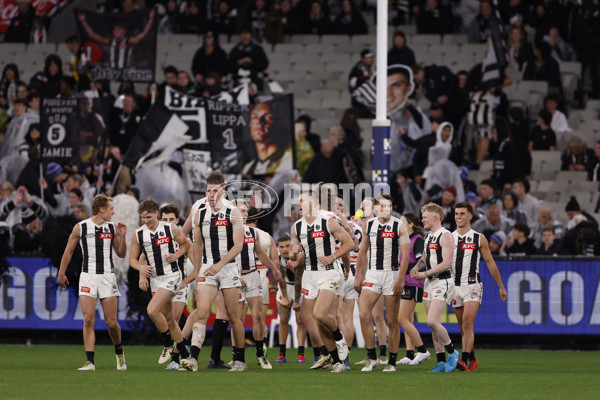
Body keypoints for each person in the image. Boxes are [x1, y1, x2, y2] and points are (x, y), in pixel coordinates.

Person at [179, 171, 248, 372]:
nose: (211, 194)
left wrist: (220, 264)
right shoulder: (200, 213)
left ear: (223, 191)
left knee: (234, 317)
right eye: (208, 190)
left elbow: (238, 246)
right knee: (201, 312)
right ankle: (193, 359)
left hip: (228, 269)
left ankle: (239, 360)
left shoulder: (233, 212)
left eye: (215, 191)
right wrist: (198, 271)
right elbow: (197, 244)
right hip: (208, 269)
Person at [57, 194, 128, 371]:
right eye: (111, 208)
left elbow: (120, 253)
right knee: (88, 319)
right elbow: (68, 251)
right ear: (101, 209)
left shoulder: (111, 228)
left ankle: (119, 352)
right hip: (88, 276)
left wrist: (122, 237)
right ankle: (90, 361)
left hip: (107, 277)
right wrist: (61, 273)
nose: (114, 212)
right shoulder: (81, 227)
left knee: (111, 322)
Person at [290, 190, 354, 373]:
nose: (298, 204)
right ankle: (337, 362)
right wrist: (294, 254)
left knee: (319, 314)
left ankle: (339, 337)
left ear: (312, 203)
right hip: (309, 275)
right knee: (317, 321)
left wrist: (333, 256)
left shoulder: (328, 222)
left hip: (329, 273)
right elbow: (296, 251)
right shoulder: (297, 227)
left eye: (301, 200)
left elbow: (349, 243)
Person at [129, 198, 192, 368]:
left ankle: (167, 344)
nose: (146, 220)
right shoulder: (139, 234)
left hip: (172, 275)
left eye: (149, 216)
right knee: (170, 321)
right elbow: (133, 260)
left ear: (157, 213)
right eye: (143, 217)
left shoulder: (170, 229)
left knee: (151, 310)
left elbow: (186, 246)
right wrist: (141, 270)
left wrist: (177, 255)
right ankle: (185, 357)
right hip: (155, 279)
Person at [353, 193, 409, 372]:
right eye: (383, 206)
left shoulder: (399, 225)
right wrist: (358, 276)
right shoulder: (368, 224)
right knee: (363, 314)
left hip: (392, 274)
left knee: (392, 320)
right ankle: (372, 357)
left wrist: (400, 279)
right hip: (373, 275)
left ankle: (391, 361)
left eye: (390, 206)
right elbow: (362, 251)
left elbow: (406, 255)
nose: (387, 209)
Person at [451, 202, 507, 371]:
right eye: (456, 214)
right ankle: (473, 358)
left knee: (468, 323)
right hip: (455, 287)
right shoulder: (448, 237)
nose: (459, 217)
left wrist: (500, 286)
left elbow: (490, 261)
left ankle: (464, 359)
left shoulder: (478, 238)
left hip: (473, 285)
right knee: (462, 327)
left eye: (462, 213)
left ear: (470, 216)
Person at [410, 202, 459, 373]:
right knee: (432, 325)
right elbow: (425, 257)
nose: (422, 220)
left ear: (435, 218)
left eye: (424, 217)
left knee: (432, 321)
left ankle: (452, 352)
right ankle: (441, 361)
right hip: (430, 282)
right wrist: (417, 267)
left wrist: (424, 274)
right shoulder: (429, 236)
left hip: (442, 281)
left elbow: (446, 264)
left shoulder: (445, 236)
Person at [233, 200, 282, 369]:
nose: (245, 213)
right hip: (235, 278)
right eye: (241, 210)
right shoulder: (226, 232)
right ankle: (238, 357)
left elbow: (260, 253)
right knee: (237, 319)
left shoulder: (252, 232)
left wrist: (274, 269)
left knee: (258, 316)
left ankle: (261, 354)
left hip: (254, 276)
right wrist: (234, 276)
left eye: (246, 210)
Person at [396, 212, 431, 366]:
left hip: (412, 282)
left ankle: (423, 350)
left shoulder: (417, 240)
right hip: (405, 281)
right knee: (408, 319)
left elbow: (420, 262)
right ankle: (410, 354)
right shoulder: (404, 239)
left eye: (403, 222)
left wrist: (407, 271)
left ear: (410, 224)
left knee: (401, 318)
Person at [77, 9, 156, 70]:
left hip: (126, 71)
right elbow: (93, 35)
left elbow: (143, 35)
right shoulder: (110, 41)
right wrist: (83, 21)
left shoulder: (129, 40)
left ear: (124, 31)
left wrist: (151, 19)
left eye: (119, 29)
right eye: (115, 29)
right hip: (113, 72)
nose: (116, 31)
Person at [274, 234, 306, 363]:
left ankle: (301, 354)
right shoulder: (276, 256)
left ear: (292, 246)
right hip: (284, 287)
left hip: (301, 288)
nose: (285, 249)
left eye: (288, 246)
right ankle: (282, 354)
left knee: (300, 321)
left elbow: (298, 280)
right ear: (278, 248)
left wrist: (297, 300)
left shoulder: (299, 256)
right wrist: (285, 297)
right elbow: (280, 277)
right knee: (283, 319)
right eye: (282, 247)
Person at [241, 102, 293, 175]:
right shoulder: (248, 168)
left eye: (267, 117)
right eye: (255, 117)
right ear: (249, 124)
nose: (259, 121)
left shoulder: (288, 161)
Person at [228, 27, 269, 92]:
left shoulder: (257, 49)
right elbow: (230, 66)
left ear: (250, 35)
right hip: (239, 79)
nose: (244, 36)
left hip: (254, 79)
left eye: (246, 33)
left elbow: (264, 64)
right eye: (243, 34)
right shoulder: (235, 50)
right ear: (240, 35)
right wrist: (238, 63)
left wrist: (252, 61)